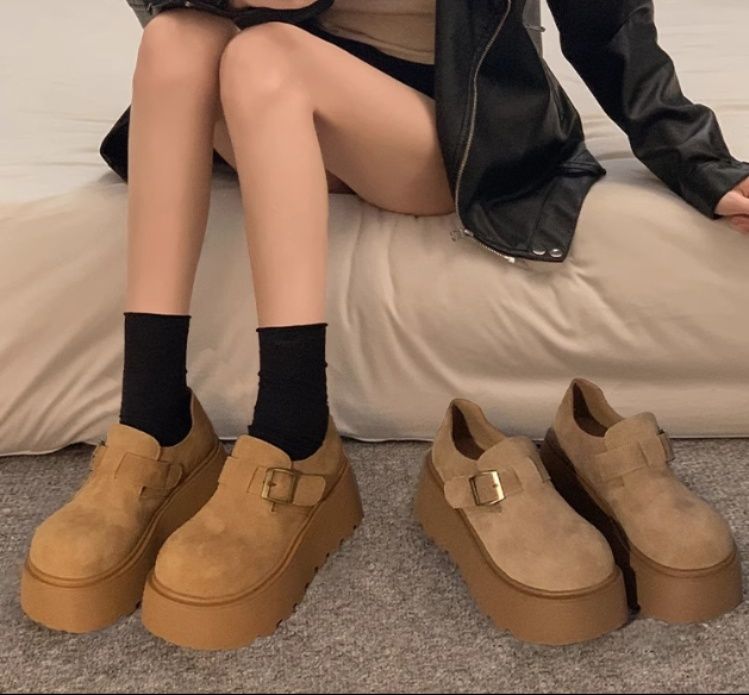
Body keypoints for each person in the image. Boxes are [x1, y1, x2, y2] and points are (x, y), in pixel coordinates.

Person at [20, 0, 748, 650]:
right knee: (175, 39)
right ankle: (154, 426)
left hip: (440, 128)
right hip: (272, 115)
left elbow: (607, 24)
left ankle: (294, 436)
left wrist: (700, 164)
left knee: (264, 55)